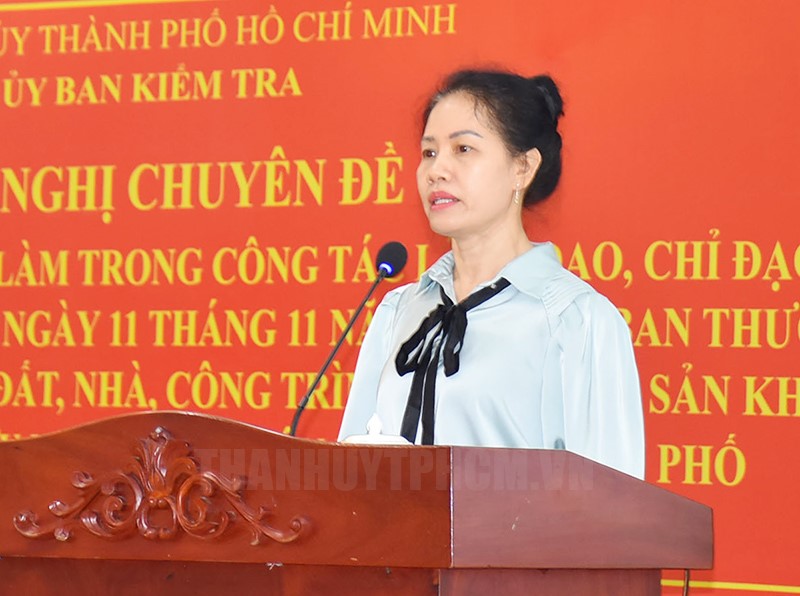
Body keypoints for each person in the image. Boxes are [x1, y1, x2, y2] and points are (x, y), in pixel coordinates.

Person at [338, 69, 645, 479]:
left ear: (523, 167)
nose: (437, 170)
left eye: (463, 149)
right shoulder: (398, 311)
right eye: (429, 153)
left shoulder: (576, 320)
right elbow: (348, 472)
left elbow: (612, 500)